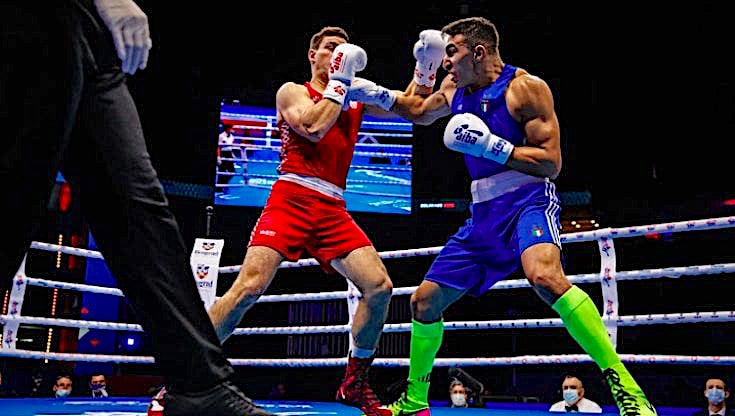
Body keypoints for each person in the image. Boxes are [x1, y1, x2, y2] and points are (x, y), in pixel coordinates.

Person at [345, 17, 657, 416]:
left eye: (452, 51)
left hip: (528, 200)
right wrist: (371, 91)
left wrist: (493, 146)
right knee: (424, 302)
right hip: (482, 214)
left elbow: (551, 163)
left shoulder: (525, 89)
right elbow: (420, 110)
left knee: (545, 277)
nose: (446, 62)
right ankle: (416, 401)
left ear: (478, 52)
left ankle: (628, 390)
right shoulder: (455, 87)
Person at [0, 1, 272, 415]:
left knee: (138, 206)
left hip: (90, 34)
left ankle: (200, 386)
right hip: (36, 17)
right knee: (16, 194)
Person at [204, 26, 393, 416]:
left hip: (333, 207)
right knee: (248, 287)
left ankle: (354, 383)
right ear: (312, 55)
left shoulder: (354, 97)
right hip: (291, 196)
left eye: (343, 50)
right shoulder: (292, 91)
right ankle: (183, 376)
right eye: (330, 49)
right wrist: (341, 83)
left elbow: (417, 109)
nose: (337, 55)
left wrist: (427, 69)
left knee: (379, 287)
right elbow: (313, 126)